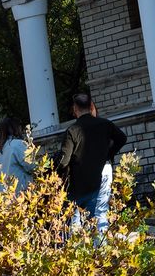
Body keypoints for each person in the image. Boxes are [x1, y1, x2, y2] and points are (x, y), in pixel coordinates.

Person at [55, 91, 125, 232]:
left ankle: (79, 249)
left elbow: (64, 161)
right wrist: (107, 153)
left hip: (80, 178)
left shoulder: (73, 131)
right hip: (103, 172)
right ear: (91, 106)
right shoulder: (105, 124)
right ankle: (101, 249)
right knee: (100, 214)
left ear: (75, 109)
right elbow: (122, 138)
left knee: (75, 217)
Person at [0, 116, 34, 193]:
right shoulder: (18, 144)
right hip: (19, 194)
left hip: (2, 196)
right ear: (16, 128)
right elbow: (31, 166)